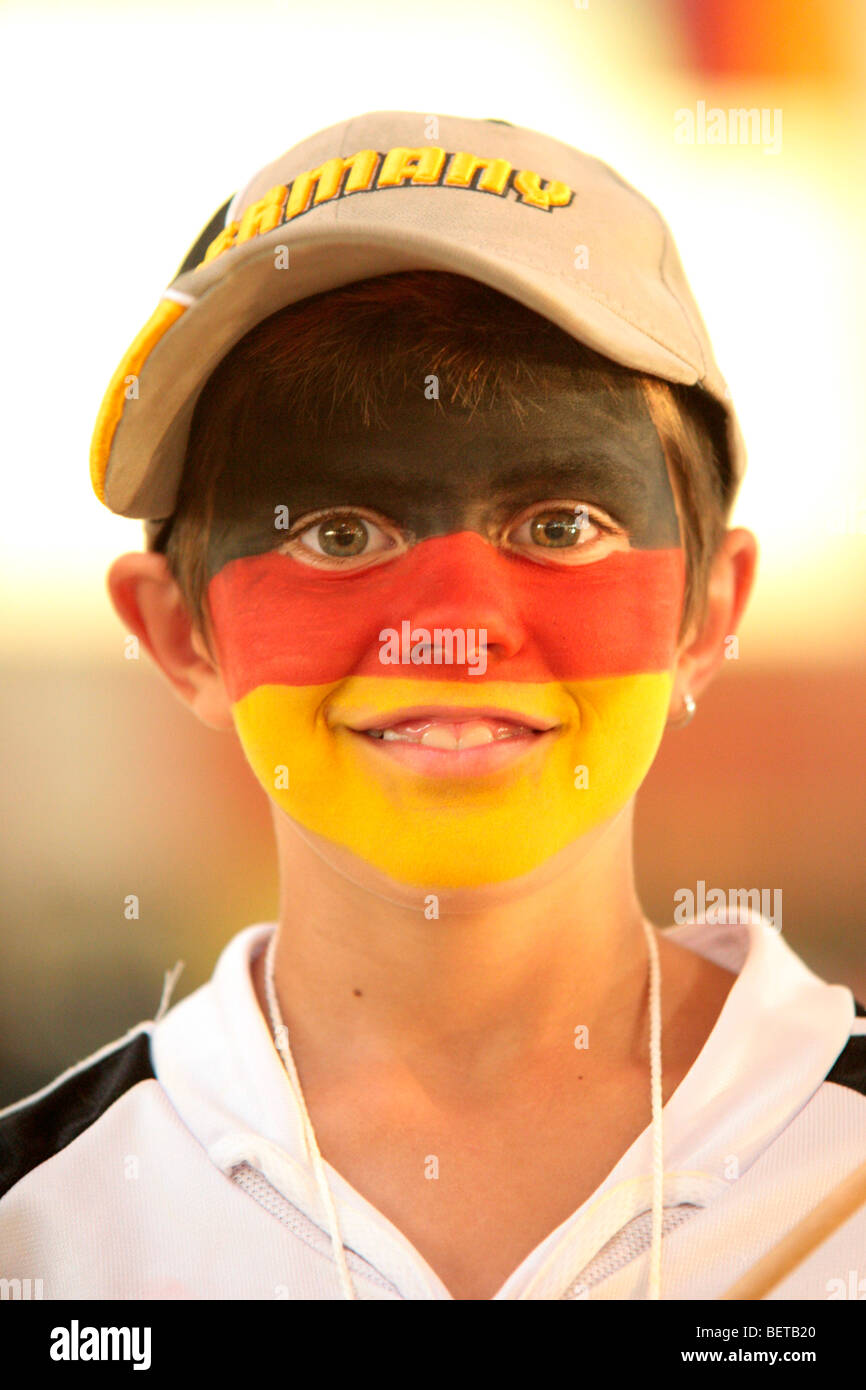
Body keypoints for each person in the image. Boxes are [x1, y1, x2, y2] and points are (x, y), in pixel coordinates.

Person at [1, 110, 863, 1302]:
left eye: (559, 526)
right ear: (177, 634)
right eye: (336, 532)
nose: (451, 623)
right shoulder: (34, 1225)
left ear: (709, 613)